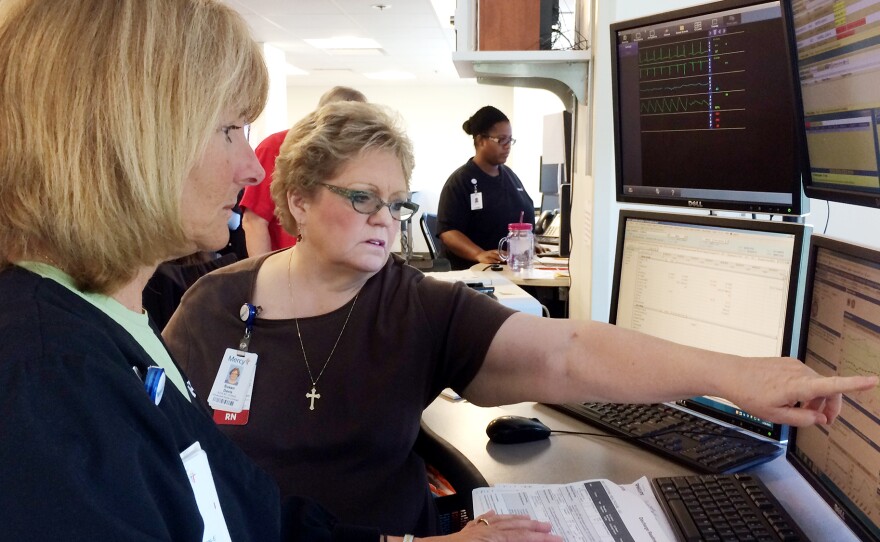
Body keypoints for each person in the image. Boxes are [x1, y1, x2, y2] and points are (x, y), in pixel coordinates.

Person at [162, 100, 879, 537]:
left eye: (398, 202)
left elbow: (568, 351)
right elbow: (163, 477)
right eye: (362, 199)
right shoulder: (212, 309)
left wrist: (737, 378)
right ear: (295, 200)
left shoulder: (415, 307)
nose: (386, 221)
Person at [0, 2, 560, 541]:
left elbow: (239, 514)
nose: (249, 168)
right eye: (231, 129)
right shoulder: (50, 381)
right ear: (132, 136)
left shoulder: (115, 326)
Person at [241, 86, 368, 256]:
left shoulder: (357, 155)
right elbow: (254, 221)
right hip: (287, 266)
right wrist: (264, 276)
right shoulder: (275, 147)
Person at [437, 106, 536, 270]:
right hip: (475, 274)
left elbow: (524, 215)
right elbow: (448, 232)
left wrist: (529, 242)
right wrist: (478, 254)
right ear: (481, 140)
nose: (507, 146)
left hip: (511, 270)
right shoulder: (460, 181)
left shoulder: (511, 177)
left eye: (510, 140)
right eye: (501, 140)